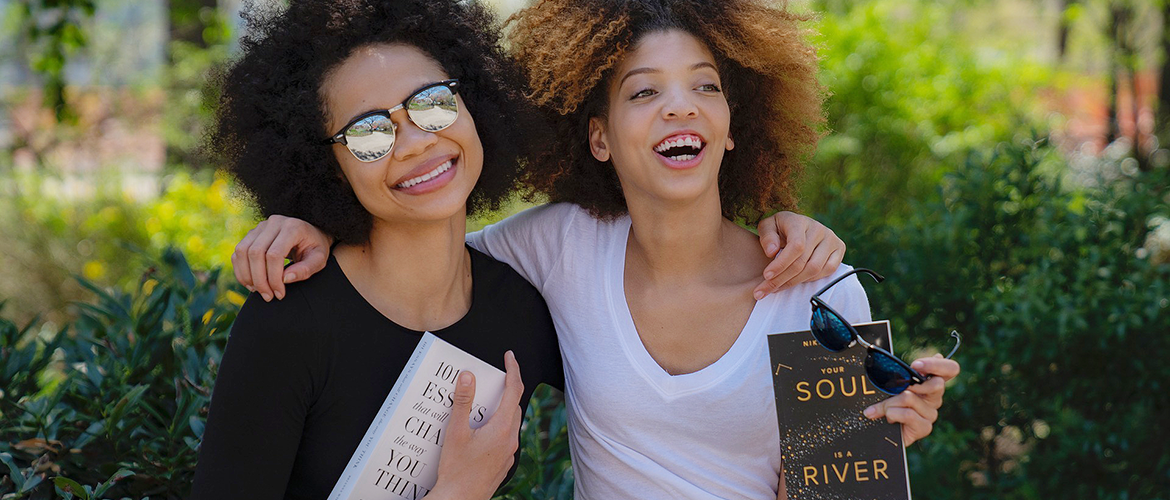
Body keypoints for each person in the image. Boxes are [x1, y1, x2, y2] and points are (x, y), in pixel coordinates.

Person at [228, 1, 958, 499]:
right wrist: (318, 218)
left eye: (705, 87)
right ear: (599, 136)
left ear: (735, 124)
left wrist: (887, 432)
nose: (680, 105)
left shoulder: (817, 294)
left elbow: (841, 487)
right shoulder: (560, 250)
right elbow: (422, 242)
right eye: (644, 93)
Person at [191, 2, 565, 499]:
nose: (413, 143)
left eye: (433, 102)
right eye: (369, 132)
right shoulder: (290, 326)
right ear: (325, 167)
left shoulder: (524, 310)